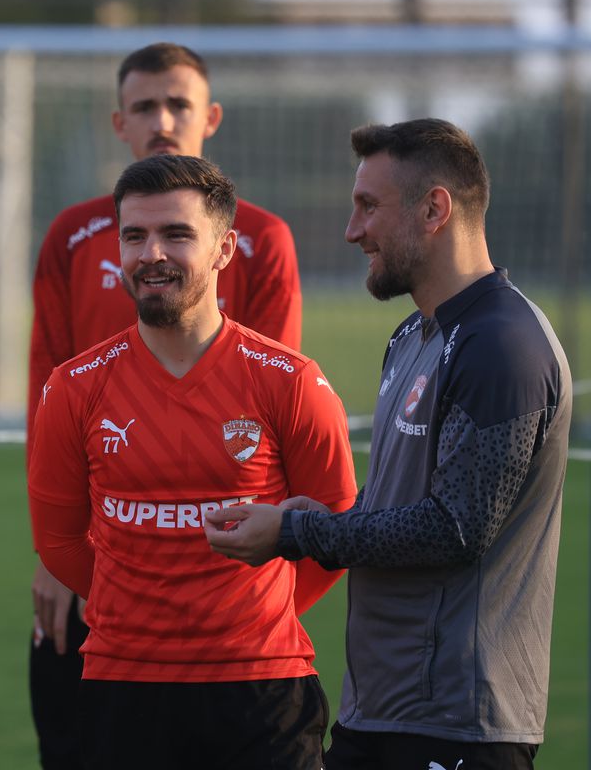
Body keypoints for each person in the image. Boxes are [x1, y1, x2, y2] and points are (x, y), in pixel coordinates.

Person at [205, 118, 572, 770]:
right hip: (379, 710)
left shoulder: (502, 345)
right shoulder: (412, 336)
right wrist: (324, 518)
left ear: (434, 210)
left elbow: (453, 528)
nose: (353, 231)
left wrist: (298, 535)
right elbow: (401, 508)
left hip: (458, 725)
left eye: (368, 206)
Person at [28, 154, 356, 769]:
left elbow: (335, 527)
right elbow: (59, 542)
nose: (151, 254)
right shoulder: (74, 388)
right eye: (134, 236)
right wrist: (140, 610)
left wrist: (249, 616)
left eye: (176, 234)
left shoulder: (289, 381)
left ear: (224, 249)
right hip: (123, 687)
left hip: (261, 690)